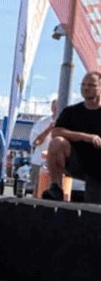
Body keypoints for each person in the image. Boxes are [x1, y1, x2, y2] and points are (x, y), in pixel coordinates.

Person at [42, 72, 101, 201]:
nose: (86, 88)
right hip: (77, 162)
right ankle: (56, 187)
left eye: (91, 85)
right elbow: (55, 132)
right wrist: (86, 137)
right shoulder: (71, 112)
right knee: (57, 142)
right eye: (83, 85)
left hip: (98, 169)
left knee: (93, 212)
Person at [28, 98, 57, 192]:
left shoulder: (68, 122)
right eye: (54, 107)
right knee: (37, 190)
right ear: (51, 108)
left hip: (58, 164)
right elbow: (34, 142)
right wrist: (48, 129)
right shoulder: (42, 121)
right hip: (39, 162)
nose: (56, 109)